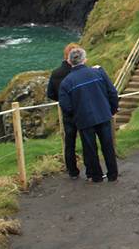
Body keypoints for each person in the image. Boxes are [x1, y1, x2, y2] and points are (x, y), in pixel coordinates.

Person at [58, 47, 119, 183]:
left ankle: (96, 176)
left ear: (69, 62)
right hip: (103, 114)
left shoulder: (66, 82)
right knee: (108, 145)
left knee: (90, 149)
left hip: (84, 119)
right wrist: (112, 110)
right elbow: (112, 92)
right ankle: (113, 175)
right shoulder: (98, 73)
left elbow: (65, 106)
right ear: (85, 59)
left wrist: (76, 116)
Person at [46, 42, 82, 179]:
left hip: (67, 112)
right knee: (87, 139)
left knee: (69, 142)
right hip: (81, 109)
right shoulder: (79, 71)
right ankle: (92, 169)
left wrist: (62, 100)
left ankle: (72, 171)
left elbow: (50, 94)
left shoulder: (56, 73)